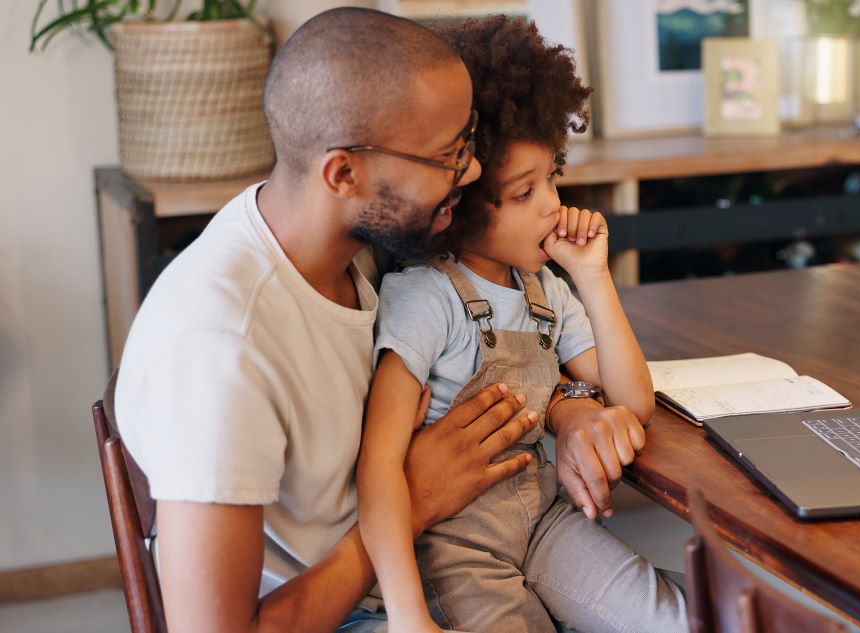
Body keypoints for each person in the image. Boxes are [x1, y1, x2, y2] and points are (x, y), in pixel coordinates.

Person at [114, 9, 622, 632]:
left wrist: (568, 402)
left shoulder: (358, 241)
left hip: (438, 563)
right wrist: (413, 500)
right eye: (447, 155)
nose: (469, 173)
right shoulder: (221, 348)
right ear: (343, 173)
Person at [357, 15, 687, 633]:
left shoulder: (546, 290)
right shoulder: (423, 298)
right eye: (523, 193)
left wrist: (593, 276)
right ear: (457, 208)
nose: (553, 206)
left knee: (677, 618)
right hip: (456, 551)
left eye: (552, 179)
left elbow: (633, 399)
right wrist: (408, 615)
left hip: (544, 524)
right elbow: (378, 462)